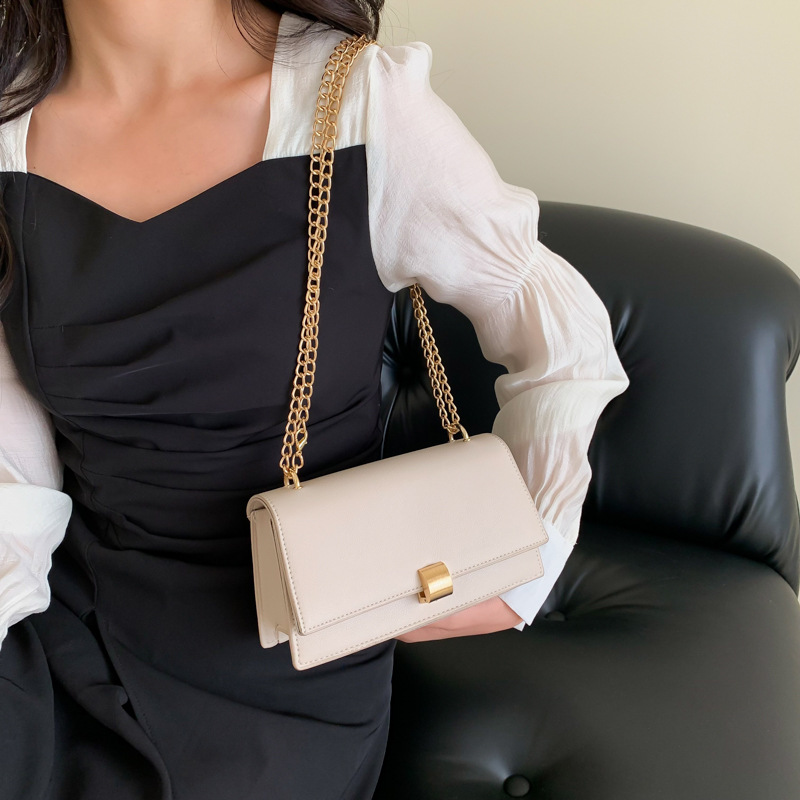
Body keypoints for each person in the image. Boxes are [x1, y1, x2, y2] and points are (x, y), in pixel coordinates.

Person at [0, 1, 630, 798]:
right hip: (67, 618)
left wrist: (524, 568)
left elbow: (565, 341)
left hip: (292, 656)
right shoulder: (10, 128)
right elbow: (15, 463)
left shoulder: (356, 104)